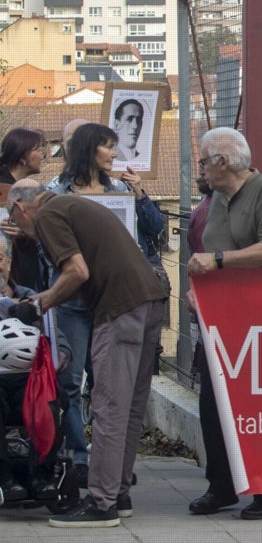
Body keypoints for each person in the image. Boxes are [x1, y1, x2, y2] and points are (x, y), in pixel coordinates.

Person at [9, 179, 167, 528]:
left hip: (120, 308)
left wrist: (39, 304)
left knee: (108, 406)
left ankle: (101, 502)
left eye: (14, 220)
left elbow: (77, 271)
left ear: (21, 208)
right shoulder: (71, 205)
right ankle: (118, 493)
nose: (21, 232)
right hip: (150, 303)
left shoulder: (49, 215)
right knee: (129, 408)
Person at [185, 127, 262, 521]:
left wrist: (217, 261)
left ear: (222, 162)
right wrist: (199, 287)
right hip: (223, 320)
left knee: (261, 406)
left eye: (203, 160)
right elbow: (210, 250)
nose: (200, 168)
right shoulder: (216, 197)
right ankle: (221, 486)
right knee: (213, 404)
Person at [49, 122, 167, 480]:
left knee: (108, 383)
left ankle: (108, 461)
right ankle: (79, 458)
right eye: (108, 147)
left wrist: (142, 196)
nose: (115, 154)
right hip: (73, 300)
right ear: (89, 150)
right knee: (70, 380)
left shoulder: (118, 188)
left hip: (113, 298)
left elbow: (154, 231)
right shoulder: (56, 191)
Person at [0, 233, 73, 506]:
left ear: (9, 261)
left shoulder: (31, 298)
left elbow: (62, 343)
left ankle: (42, 476)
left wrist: (60, 357)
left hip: (30, 384)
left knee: (55, 398)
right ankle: (5, 478)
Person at [0, 127, 48, 290]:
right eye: (37, 150)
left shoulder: (33, 190)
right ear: (22, 156)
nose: (42, 155)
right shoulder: (3, 188)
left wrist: (27, 232)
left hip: (27, 271)